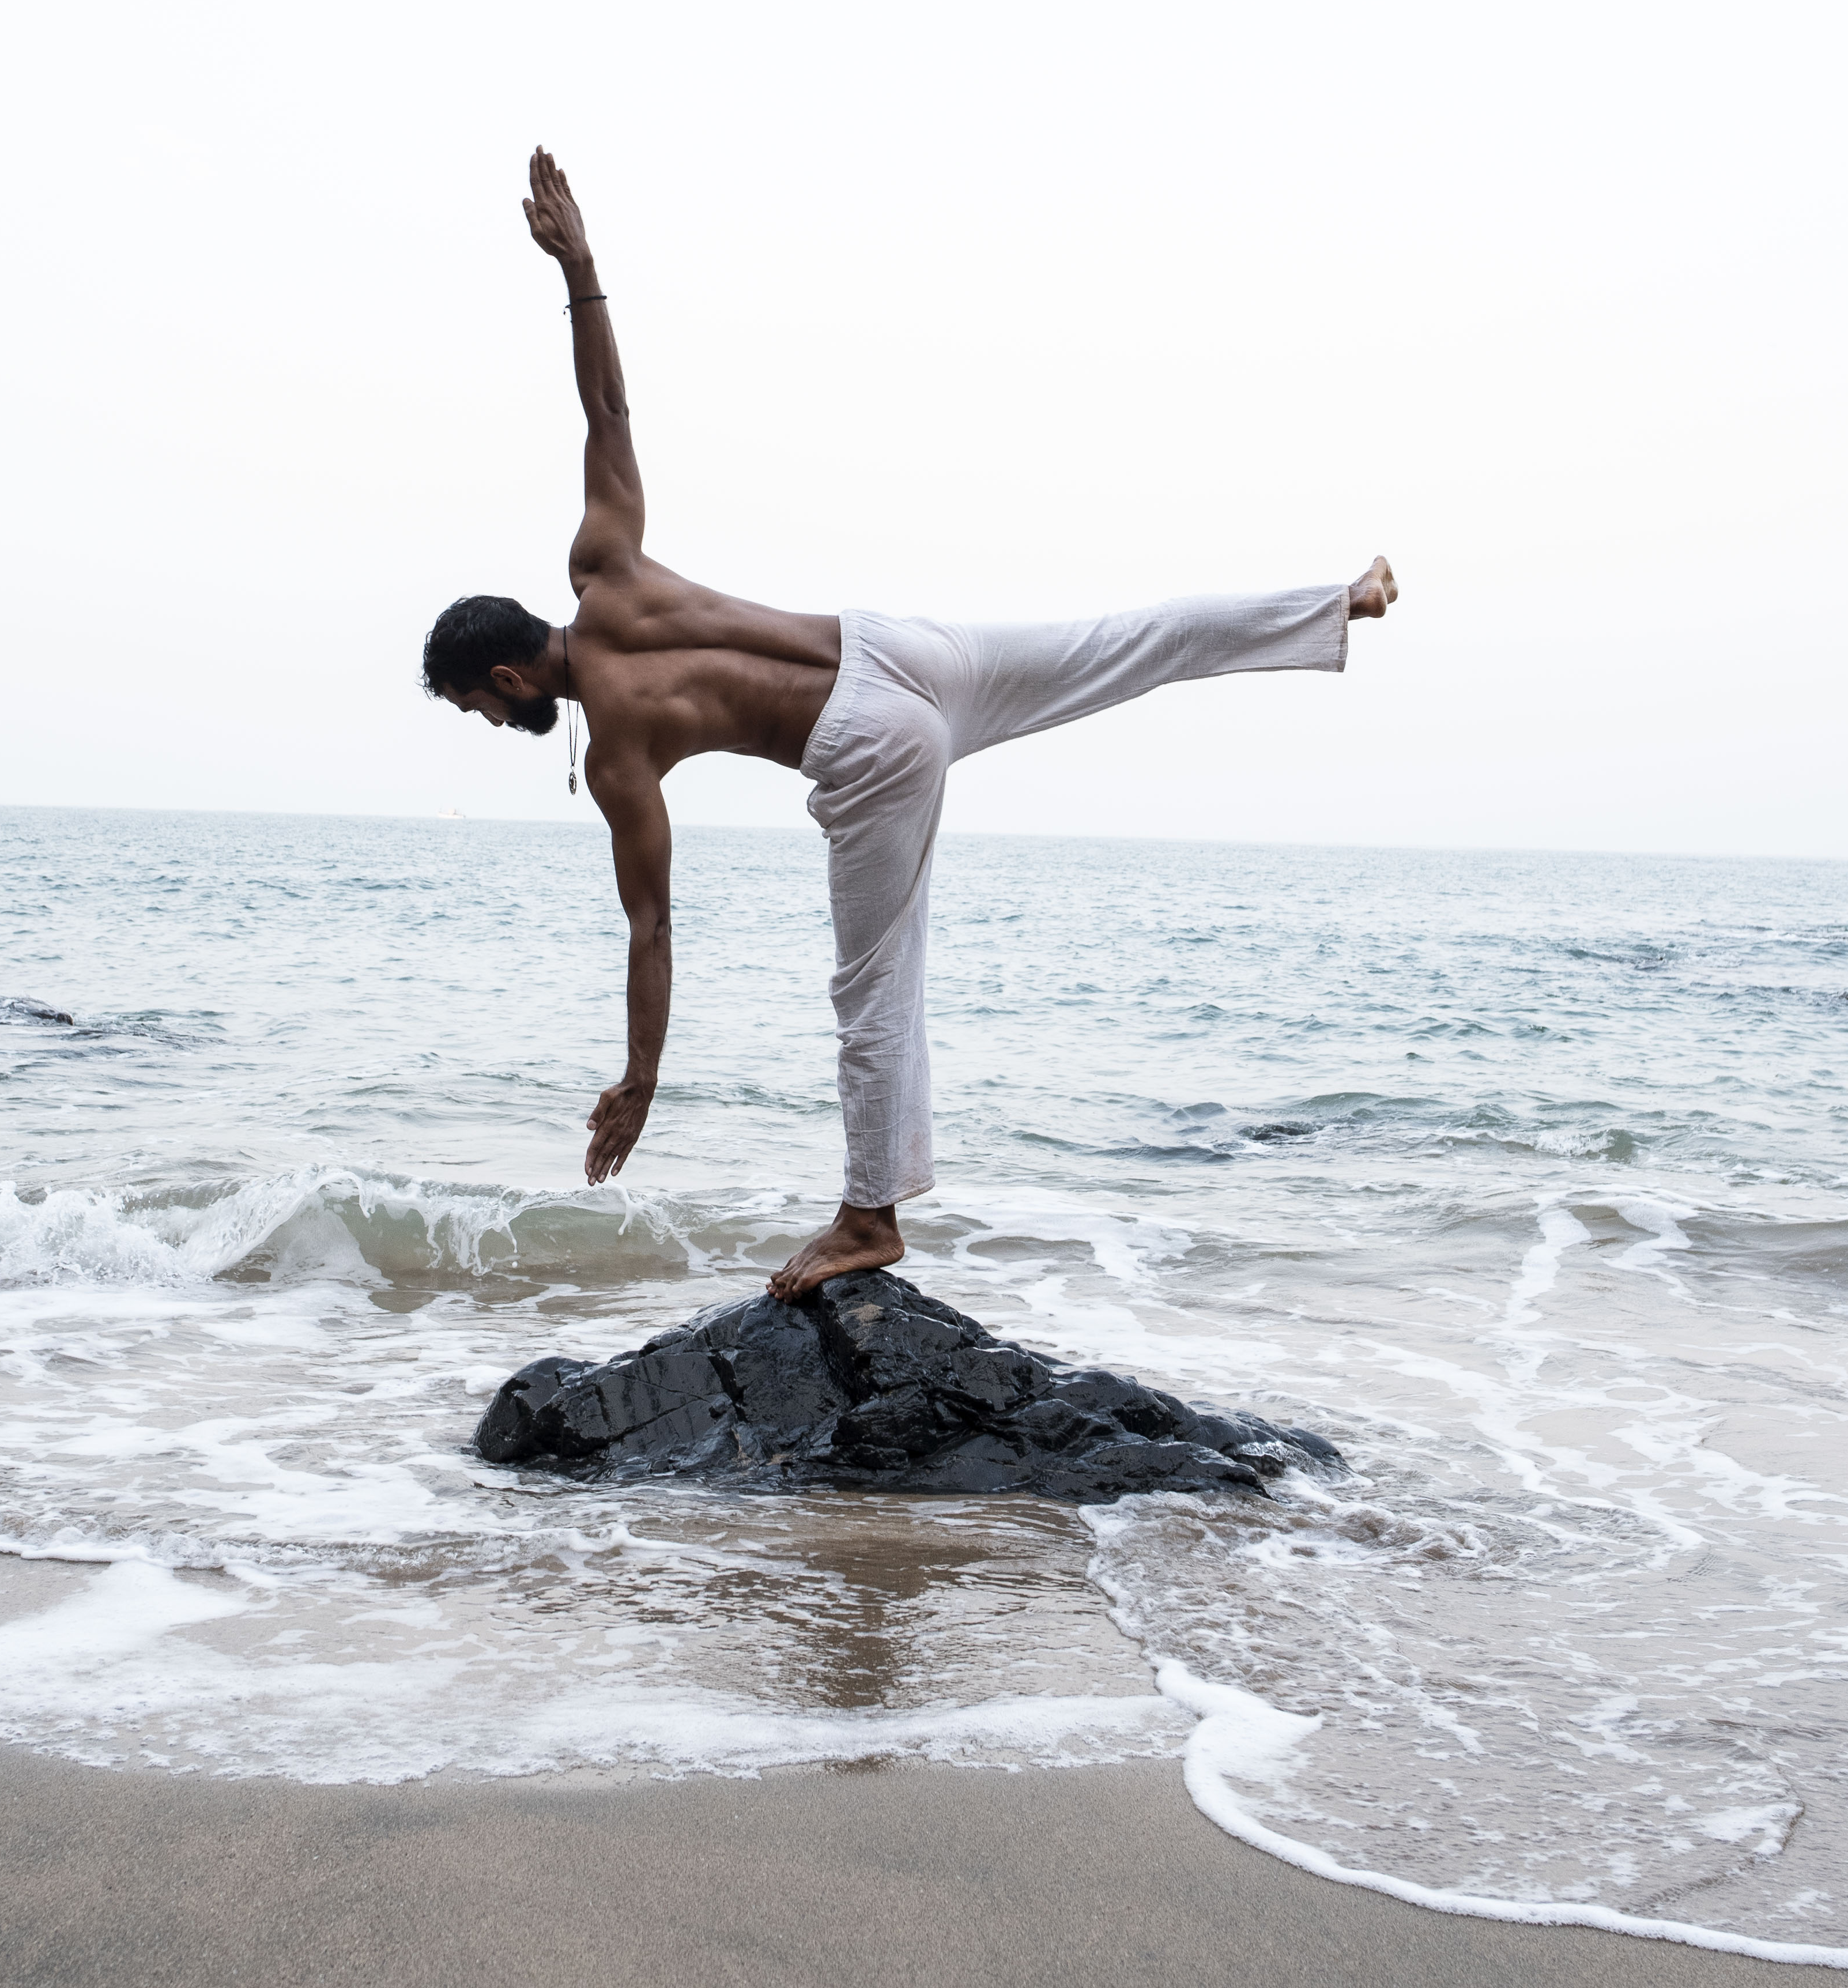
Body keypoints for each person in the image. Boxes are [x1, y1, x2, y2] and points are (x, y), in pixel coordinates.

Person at [424, 152, 1397, 1300]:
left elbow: (652, 930)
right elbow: (608, 409)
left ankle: (868, 1218)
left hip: (866, 742)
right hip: (888, 643)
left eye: (482, 708)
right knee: (1114, 645)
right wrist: (582, 264)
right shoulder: (606, 563)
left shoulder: (620, 748)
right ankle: (1336, 601)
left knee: (872, 990)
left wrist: (640, 1078)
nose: (493, 724)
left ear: (507, 674)